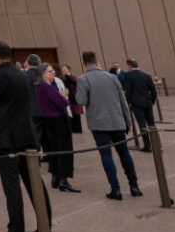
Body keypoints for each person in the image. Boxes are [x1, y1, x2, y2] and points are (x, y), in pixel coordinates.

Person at [0, 41, 55, 232]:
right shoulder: (23, 74)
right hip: (26, 134)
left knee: (11, 184)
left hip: (6, 137)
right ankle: (45, 230)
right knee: (35, 182)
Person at [76, 51, 141, 201]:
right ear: (97, 62)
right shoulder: (112, 77)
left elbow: (81, 101)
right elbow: (122, 101)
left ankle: (116, 189)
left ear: (84, 64)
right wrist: (128, 121)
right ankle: (134, 186)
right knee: (124, 153)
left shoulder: (83, 79)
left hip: (99, 124)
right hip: (117, 122)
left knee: (106, 156)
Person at [37, 64, 79, 193]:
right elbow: (63, 103)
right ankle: (63, 179)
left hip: (50, 120)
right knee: (64, 148)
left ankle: (55, 177)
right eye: (50, 71)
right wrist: (65, 95)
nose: (53, 72)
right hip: (59, 119)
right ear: (44, 74)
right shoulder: (47, 88)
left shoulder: (39, 88)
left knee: (54, 147)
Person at [123, 59, 156, 152]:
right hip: (147, 102)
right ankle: (156, 144)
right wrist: (151, 101)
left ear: (129, 66)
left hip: (136, 103)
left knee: (142, 124)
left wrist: (128, 101)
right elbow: (153, 91)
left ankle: (147, 145)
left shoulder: (128, 75)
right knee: (152, 124)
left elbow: (128, 90)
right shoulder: (147, 76)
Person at [62, 65, 83, 135]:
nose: (63, 70)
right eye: (62, 69)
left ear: (68, 70)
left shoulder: (73, 78)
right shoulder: (63, 79)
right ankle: (73, 129)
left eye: (64, 68)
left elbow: (75, 87)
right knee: (70, 114)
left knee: (76, 114)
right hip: (68, 98)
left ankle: (78, 129)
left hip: (74, 98)